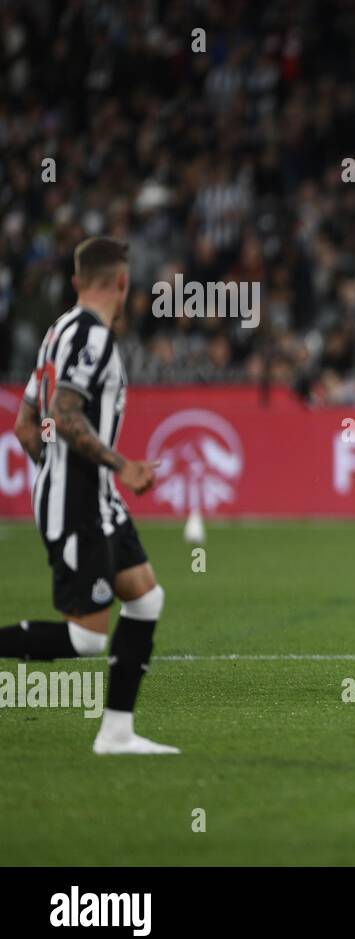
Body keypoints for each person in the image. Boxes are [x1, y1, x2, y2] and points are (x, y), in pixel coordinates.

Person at [0, 237, 178, 755]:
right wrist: (122, 467)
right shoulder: (94, 339)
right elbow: (67, 411)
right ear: (122, 284)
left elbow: (25, 425)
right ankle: (114, 733)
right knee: (86, 639)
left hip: (93, 499)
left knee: (146, 598)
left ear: (78, 282)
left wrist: (55, 472)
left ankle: (117, 732)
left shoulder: (56, 331)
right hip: (81, 502)